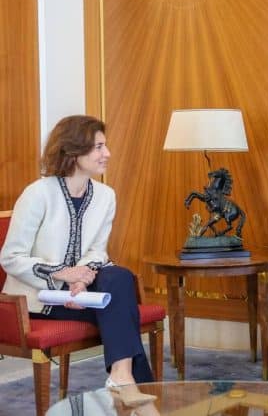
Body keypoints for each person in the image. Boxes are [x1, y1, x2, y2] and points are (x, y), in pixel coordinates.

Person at [0, 115, 156, 407]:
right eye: (98, 147)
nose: (107, 153)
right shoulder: (37, 194)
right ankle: (137, 395)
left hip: (80, 292)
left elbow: (98, 251)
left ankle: (122, 377)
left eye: (105, 146)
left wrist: (82, 280)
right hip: (38, 299)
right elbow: (11, 257)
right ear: (73, 151)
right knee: (122, 310)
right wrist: (63, 275)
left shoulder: (106, 196)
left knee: (120, 277)